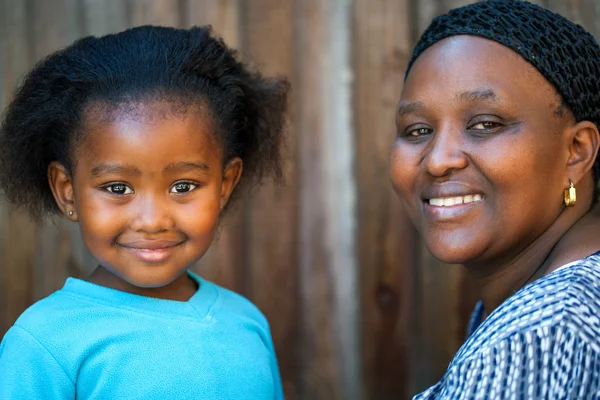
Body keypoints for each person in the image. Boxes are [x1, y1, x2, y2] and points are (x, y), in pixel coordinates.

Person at [0, 25, 288, 399]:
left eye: (183, 187)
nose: (152, 220)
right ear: (67, 192)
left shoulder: (247, 322)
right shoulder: (44, 345)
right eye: (118, 188)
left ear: (225, 184)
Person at [390, 0, 600, 398]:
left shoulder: (538, 338)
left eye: (485, 124)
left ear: (576, 151)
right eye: (417, 130)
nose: (437, 161)